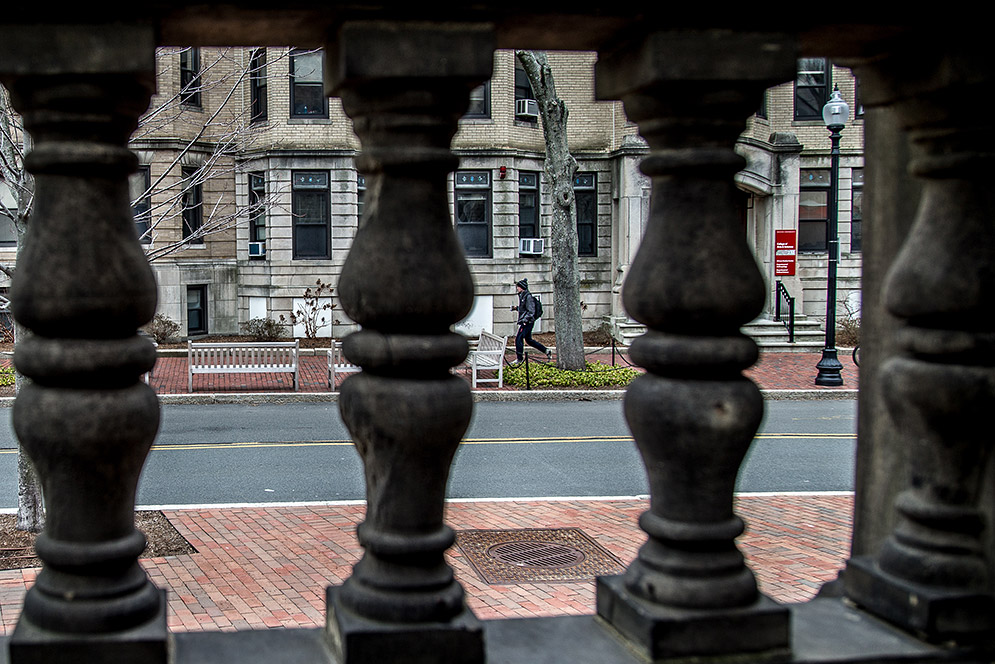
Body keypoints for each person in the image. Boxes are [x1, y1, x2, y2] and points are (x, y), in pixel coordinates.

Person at [510, 278, 551, 365]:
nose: (517, 288)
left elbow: (531, 311)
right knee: (528, 340)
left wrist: (525, 321)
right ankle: (546, 350)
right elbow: (523, 309)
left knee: (518, 339)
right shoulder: (523, 296)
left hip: (527, 322)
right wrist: (515, 308)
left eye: (518, 287)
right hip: (526, 321)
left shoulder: (528, 297)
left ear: (522, 288)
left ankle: (519, 359)